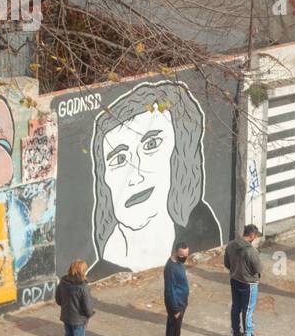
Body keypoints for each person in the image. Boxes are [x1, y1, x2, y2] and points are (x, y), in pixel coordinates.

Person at [87, 80, 223, 277]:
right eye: (119, 158)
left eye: (151, 145)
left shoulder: (201, 226)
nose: (135, 175)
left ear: (179, 155)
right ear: (103, 179)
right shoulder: (101, 273)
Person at [224, 224, 264, 336]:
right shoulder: (251, 251)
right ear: (252, 235)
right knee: (248, 309)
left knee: (236, 306)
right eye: (255, 236)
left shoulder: (231, 245)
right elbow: (258, 269)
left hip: (235, 279)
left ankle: (236, 333)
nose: (255, 238)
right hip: (249, 284)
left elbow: (227, 263)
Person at [55, 259, 94, 336]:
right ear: (82, 270)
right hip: (78, 320)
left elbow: (58, 300)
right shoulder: (83, 286)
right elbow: (87, 307)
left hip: (66, 317)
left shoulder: (63, 281)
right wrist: (90, 314)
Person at [163, 243, 190, 336]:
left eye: (186, 255)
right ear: (175, 252)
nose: (184, 257)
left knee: (172, 329)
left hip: (180, 302)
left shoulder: (178, 264)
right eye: (182, 255)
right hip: (176, 304)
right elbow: (170, 290)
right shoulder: (171, 269)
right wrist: (175, 309)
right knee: (175, 332)